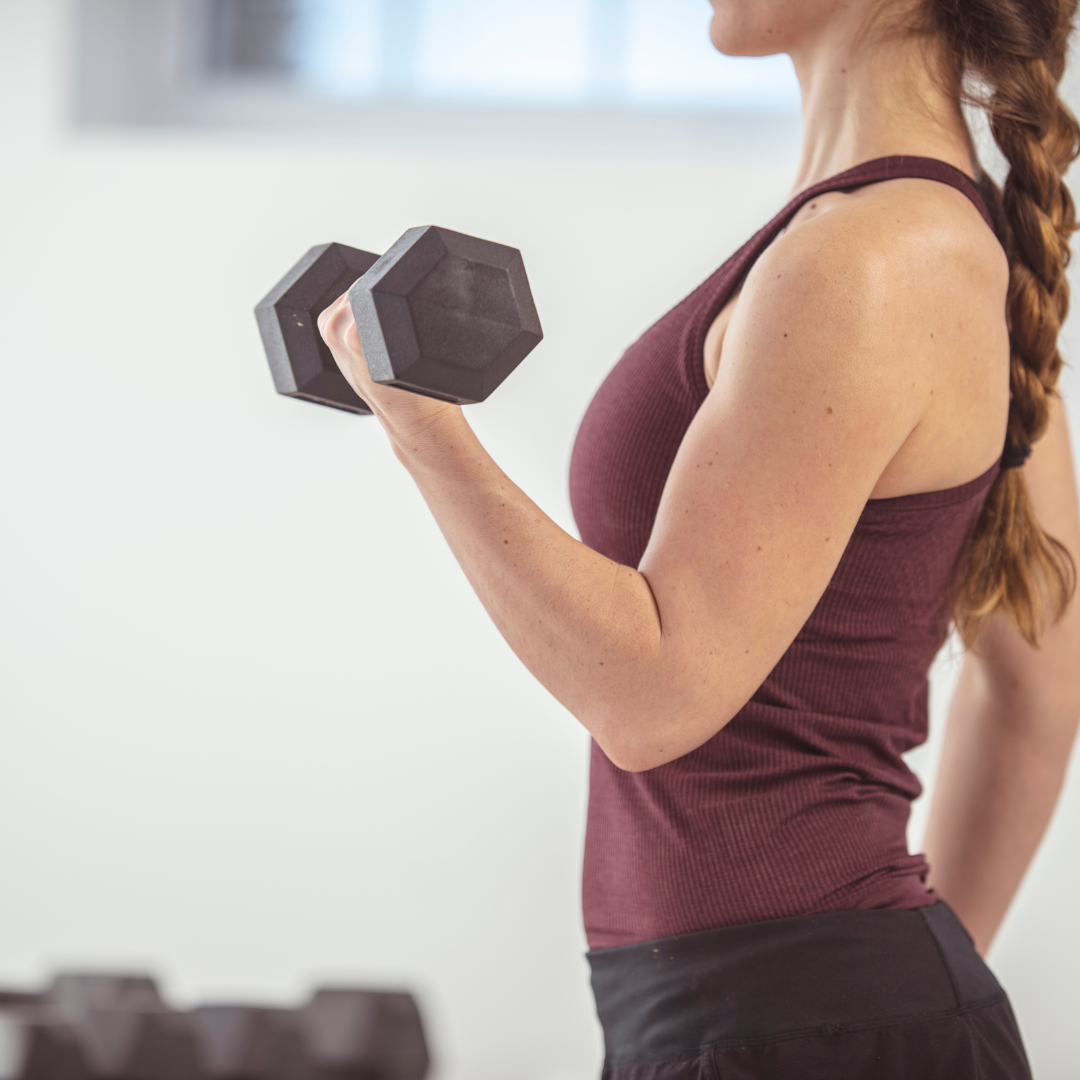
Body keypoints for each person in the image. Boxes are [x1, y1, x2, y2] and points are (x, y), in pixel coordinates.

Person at [319, 0, 1080, 1075]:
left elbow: (653, 698)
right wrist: (890, 997)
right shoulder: (919, 243)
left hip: (782, 1015)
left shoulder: (866, 257)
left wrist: (423, 431)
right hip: (782, 1017)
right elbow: (1038, 687)